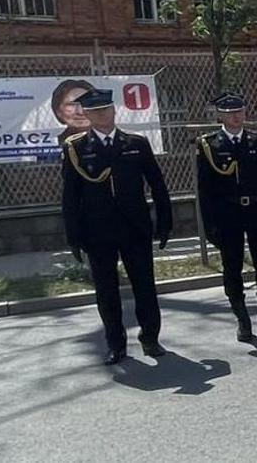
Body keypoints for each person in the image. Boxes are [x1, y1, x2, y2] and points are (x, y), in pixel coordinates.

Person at [62, 88, 169, 365]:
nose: (102, 115)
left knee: (144, 286)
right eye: (95, 111)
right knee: (106, 291)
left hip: (135, 228)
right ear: (86, 115)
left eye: (106, 109)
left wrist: (165, 221)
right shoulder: (76, 148)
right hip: (98, 231)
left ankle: (151, 338)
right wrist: (73, 235)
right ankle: (116, 344)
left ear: (114, 110)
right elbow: (70, 195)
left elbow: (157, 184)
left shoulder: (136, 143)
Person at [195, 92, 257, 341]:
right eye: (231, 113)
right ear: (220, 115)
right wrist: (209, 224)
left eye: (240, 111)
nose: (237, 117)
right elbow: (205, 190)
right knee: (231, 267)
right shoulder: (209, 145)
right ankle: (242, 318)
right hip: (228, 214)